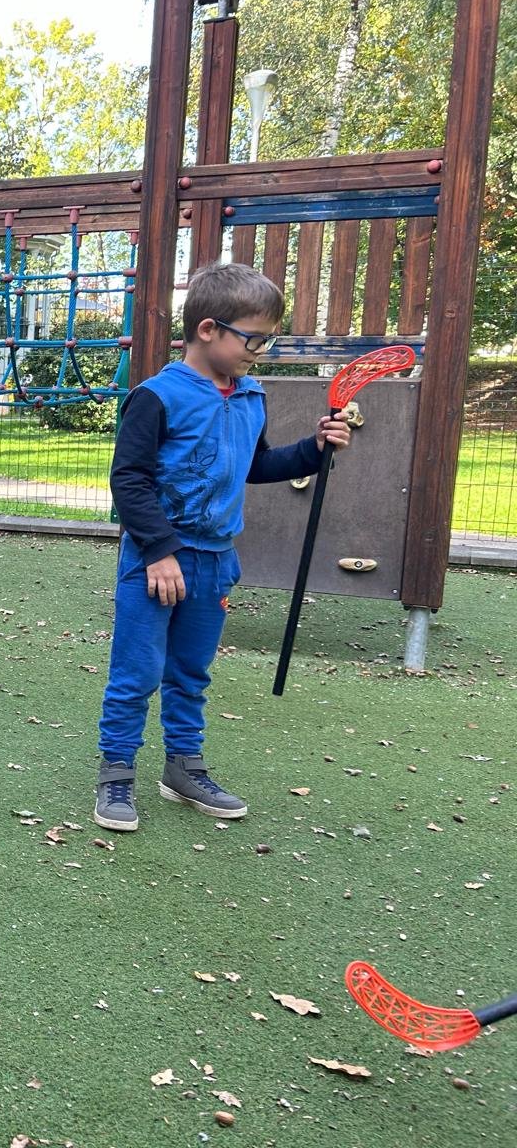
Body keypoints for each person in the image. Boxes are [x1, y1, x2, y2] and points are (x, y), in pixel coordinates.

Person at [94, 263, 352, 832]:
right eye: (254, 339)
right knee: (137, 672)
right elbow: (129, 480)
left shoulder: (251, 395)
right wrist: (159, 550)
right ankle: (116, 774)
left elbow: (256, 465)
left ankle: (183, 768)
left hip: (215, 559)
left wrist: (314, 449)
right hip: (156, 560)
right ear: (208, 329)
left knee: (191, 672)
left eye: (268, 339)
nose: (260, 352)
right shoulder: (156, 397)